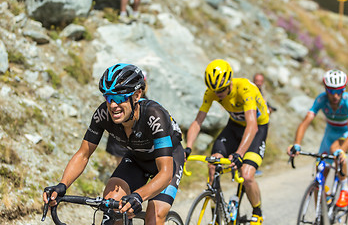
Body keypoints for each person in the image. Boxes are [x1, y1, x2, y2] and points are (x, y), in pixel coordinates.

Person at [43, 63, 184, 225]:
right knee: (111, 205)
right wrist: (62, 185)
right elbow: (83, 154)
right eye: (108, 98)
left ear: (137, 95)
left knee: (155, 215)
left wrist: (138, 196)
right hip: (137, 158)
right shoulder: (103, 115)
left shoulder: (154, 116)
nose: (112, 105)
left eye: (119, 98)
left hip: (168, 160)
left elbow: (165, 173)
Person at [185, 59, 269, 225]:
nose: (219, 94)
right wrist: (187, 148)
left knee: (247, 174)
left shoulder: (245, 88)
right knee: (212, 165)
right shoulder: (211, 92)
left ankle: (257, 211)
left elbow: (252, 126)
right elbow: (197, 122)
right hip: (234, 126)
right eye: (215, 91)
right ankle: (216, 215)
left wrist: (239, 154)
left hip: (257, 128)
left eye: (222, 90)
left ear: (230, 81)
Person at [287, 69, 348, 208]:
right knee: (320, 168)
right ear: (326, 89)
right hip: (331, 132)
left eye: (339, 91)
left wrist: (342, 151)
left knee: (335, 150)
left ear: (344, 89)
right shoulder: (321, 99)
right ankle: (320, 215)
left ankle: (345, 187)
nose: (335, 95)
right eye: (331, 91)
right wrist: (296, 144)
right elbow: (305, 122)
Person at [105, 71, 148, 166]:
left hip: (132, 141)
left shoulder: (148, 104)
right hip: (120, 140)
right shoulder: (120, 96)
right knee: (120, 166)